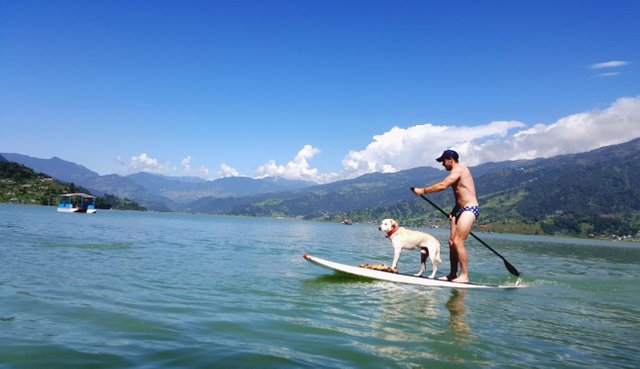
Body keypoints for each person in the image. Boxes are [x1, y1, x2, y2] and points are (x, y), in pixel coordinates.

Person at [412, 150, 479, 283]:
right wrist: (454, 211)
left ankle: (464, 276)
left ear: (450, 159)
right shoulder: (455, 171)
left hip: (470, 209)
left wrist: (423, 191)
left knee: (458, 242)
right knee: (451, 242)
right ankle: (453, 274)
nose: (443, 165)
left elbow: (443, 185)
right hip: (458, 210)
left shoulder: (459, 169)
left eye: (443, 161)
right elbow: (460, 194)